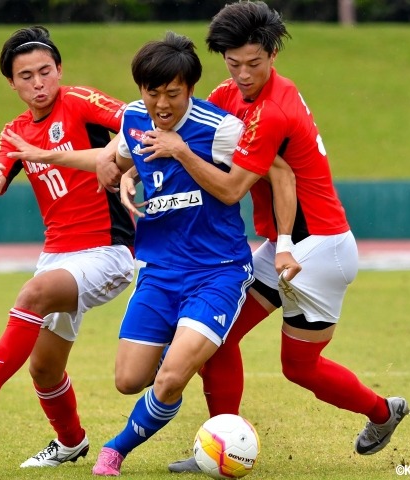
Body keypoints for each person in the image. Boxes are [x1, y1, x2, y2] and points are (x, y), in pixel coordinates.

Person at [114, 2, 410, 472]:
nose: (244, 74)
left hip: (317, 247)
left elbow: (230, 188)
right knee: (225, 339)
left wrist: (180, 151)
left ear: (273, 53)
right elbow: (170, 129)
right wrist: (127, 165)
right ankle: (222, 443)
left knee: (296, 366)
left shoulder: (273, 111)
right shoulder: (229, 94)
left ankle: (381, 411)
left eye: (254, 63)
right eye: (234, 64)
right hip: (286, 245)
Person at [79, 31, 297, 477]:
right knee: (127, 380)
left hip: (216, 272)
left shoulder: (220, 129)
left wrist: (287, 243)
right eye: (152, 92)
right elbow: (117, 159)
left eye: (173, 94)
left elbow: (280, 173)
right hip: (158, 272)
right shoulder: (133, 119)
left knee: (170, 378)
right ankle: (171, 372)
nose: (162, 104)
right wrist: (122, 177)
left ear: (190, 89)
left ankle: (115, 449)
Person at [0, 25, 136, 469]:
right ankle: (71, 442)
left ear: (59, 70)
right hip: (57, 256)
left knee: (33, 294)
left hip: (106, 251)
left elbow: (138, 122)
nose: (38, 82)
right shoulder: (15, 133)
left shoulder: (80, 101)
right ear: (12, 83)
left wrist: (114, 158)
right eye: (26, 76)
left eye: (45, 71)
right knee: (44, 369)